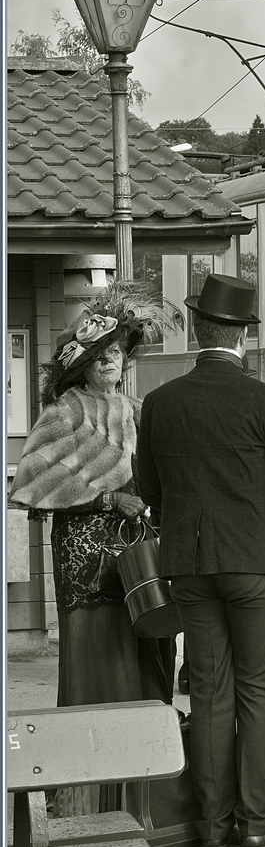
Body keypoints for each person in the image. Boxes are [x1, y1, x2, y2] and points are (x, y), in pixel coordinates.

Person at [137, 274, 265, 847]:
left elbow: (151, 491)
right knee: (260, 693)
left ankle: (211, 829)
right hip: (257, 564)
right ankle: (256, 826)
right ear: (241, 334)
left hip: (189, 563)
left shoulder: (162, 402)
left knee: (209, 693)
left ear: (195, 327)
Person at [9, 288, 180, 813]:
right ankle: (86, 803)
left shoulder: (141, 410)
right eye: (97, 353)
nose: (109, 359)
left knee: (149, 658)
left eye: (116, 351)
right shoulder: (63, 412)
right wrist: (107, 496)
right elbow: (31, 484)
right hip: (87, 561)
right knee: (94, 665)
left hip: (140, 559)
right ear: (81, 364)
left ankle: (148, 800)